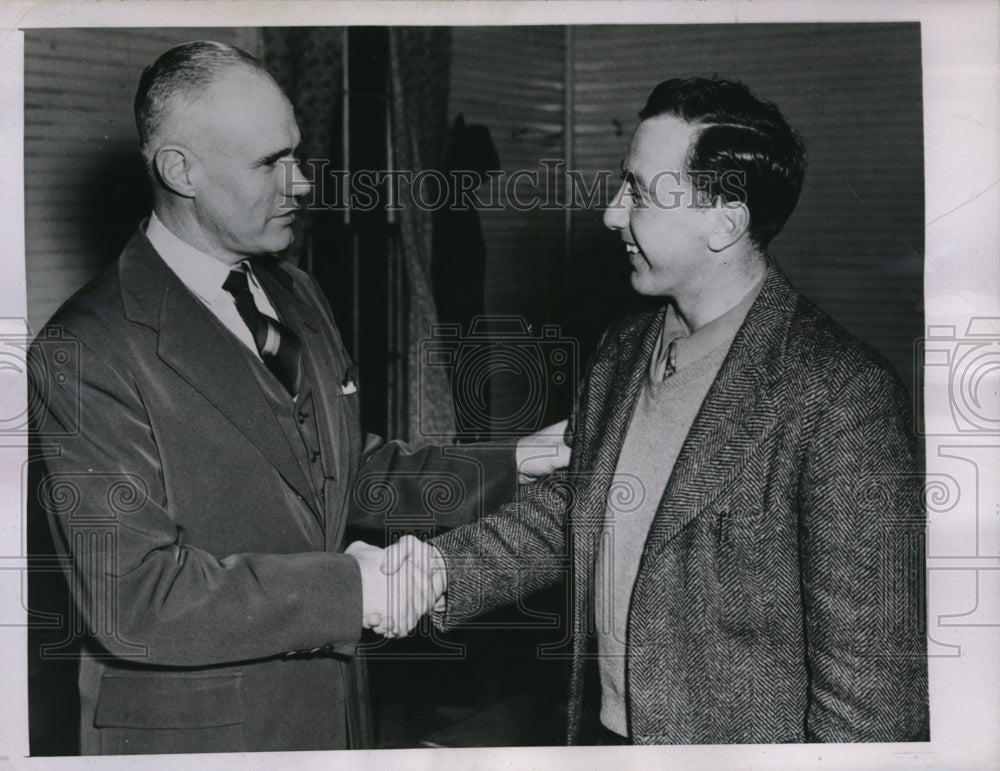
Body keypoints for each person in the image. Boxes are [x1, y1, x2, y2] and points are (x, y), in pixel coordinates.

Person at [28, 41, 568, 755]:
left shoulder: (293, 292)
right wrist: (356, 590)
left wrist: (507, 464)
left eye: (298, 154)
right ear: (179, 169)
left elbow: (345, 474)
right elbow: (134, 597)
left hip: (332, 715)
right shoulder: (86, 348)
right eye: (270, 163)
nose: (303, 182)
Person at [374, 77, 928, 744]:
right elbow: (572, 511)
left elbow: (871, 704)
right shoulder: (624, 347)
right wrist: (433, 572)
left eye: (637, 191)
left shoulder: (844, 397)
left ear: (725, 220)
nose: (612, 214)